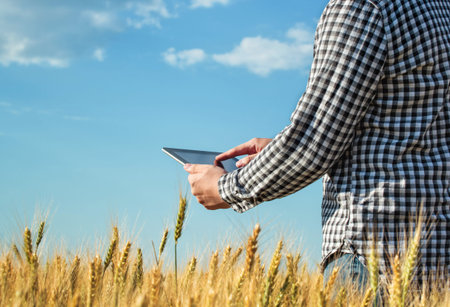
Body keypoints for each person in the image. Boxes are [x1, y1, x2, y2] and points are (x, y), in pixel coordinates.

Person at [184, 0, 449, 289]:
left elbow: (316, 138)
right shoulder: (439, 8)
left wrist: (226, 189)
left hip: (374, 249)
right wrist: (280, 149)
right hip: (437, 249)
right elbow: (416, 127)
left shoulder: (364, 7)